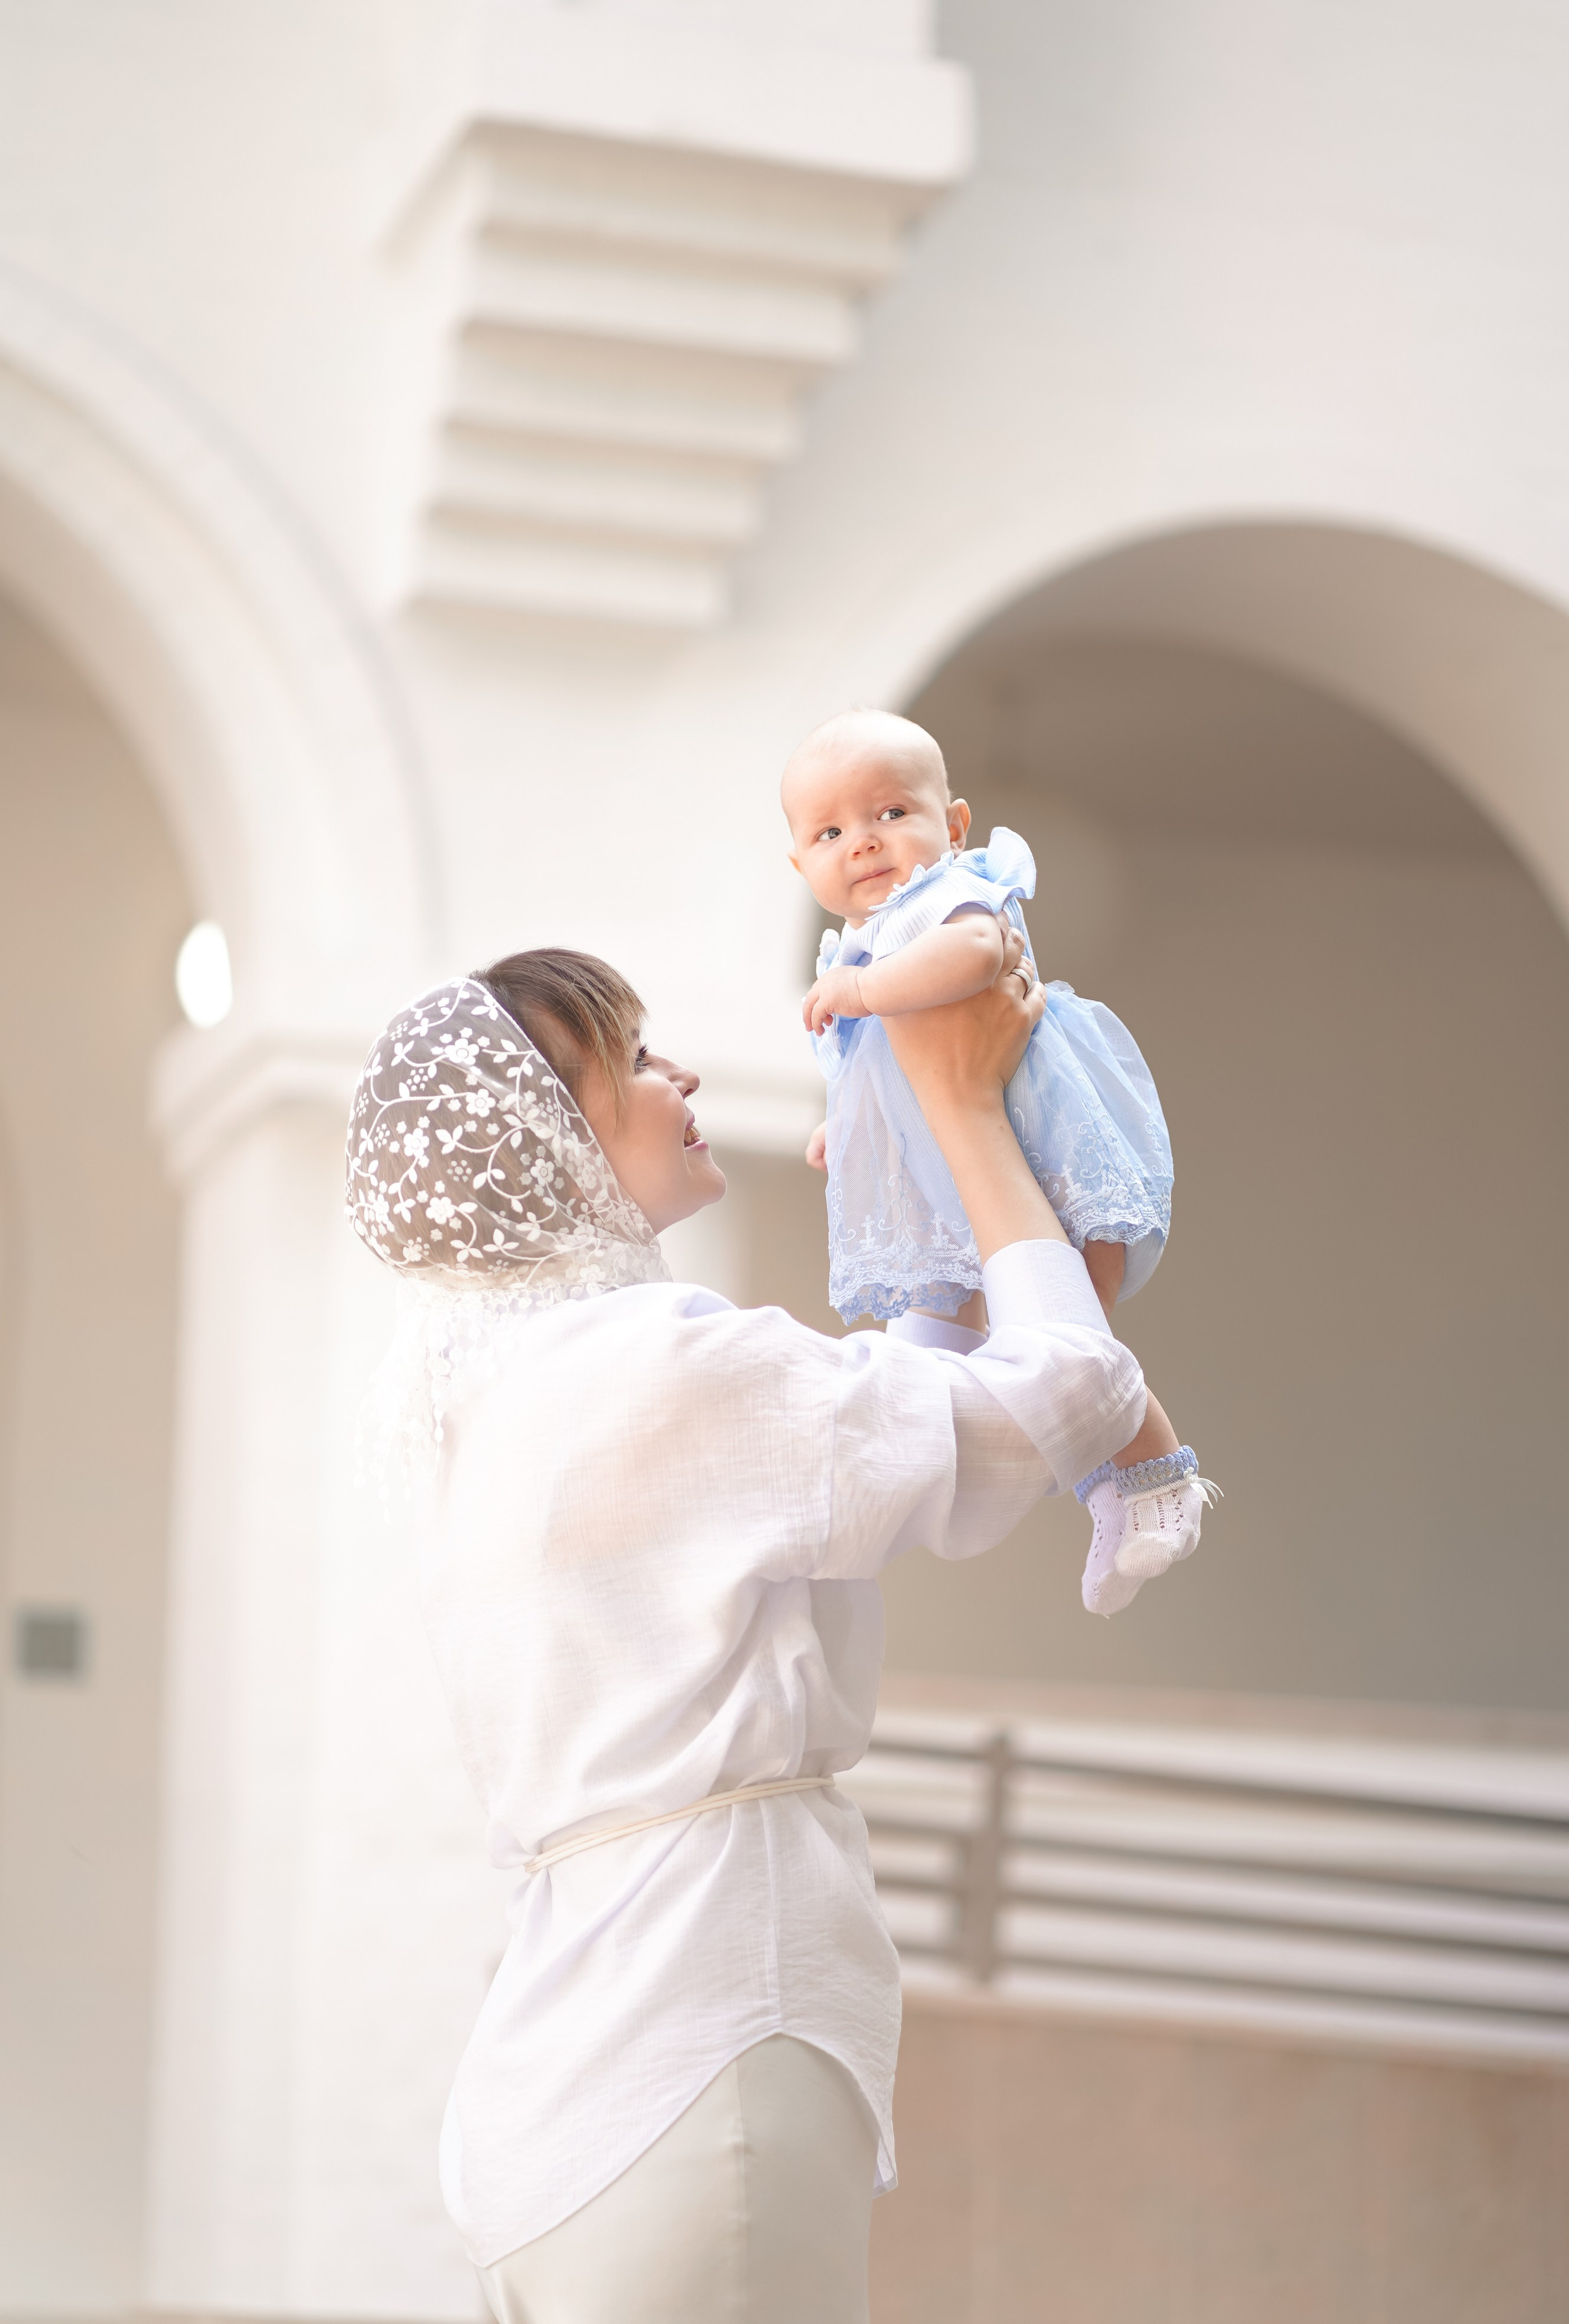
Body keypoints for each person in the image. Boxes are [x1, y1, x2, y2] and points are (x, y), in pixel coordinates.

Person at [345, 936, 1145, 2324]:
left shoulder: (508, 1397)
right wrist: (959, 1114)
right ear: (553, 1138)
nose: (684, 1074)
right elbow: (1061, 1398)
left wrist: (928, 1209)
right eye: (637, 1059)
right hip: (698, 2048)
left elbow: (898, 1421)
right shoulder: (649, 1366)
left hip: (570, 2080)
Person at [783, 706, 1217, 1615]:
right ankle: (1102, 1491)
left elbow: (976, 958)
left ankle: (1156, 1481)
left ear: (953, 825)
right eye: (831, 832)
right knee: (934, 1363)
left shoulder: (947, 899)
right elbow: (879, 1071)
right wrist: (847, 1128)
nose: (863, 843)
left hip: (1035, 1150)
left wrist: (861, 989)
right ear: (803, 867)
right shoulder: (865, 941)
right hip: (942, 1178)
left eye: (891, 813)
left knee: (1076, 1347)